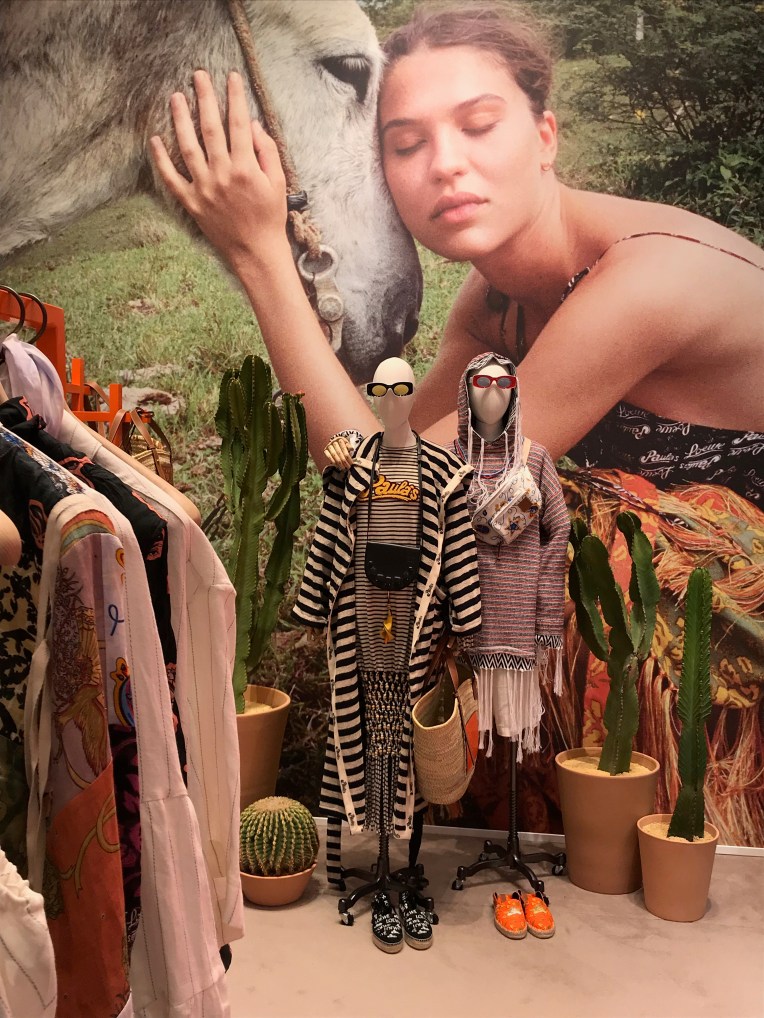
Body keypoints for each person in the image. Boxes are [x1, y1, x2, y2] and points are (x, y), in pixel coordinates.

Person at [149, 2, 764, 844]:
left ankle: (667, 814)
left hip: (731, 611)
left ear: (544, 137)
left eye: (479, 126)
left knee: (552, 540)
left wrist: (260, 256)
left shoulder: (644, 282)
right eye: (405, 145)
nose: (445, 164)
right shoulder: (496, 299)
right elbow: (385, 464)